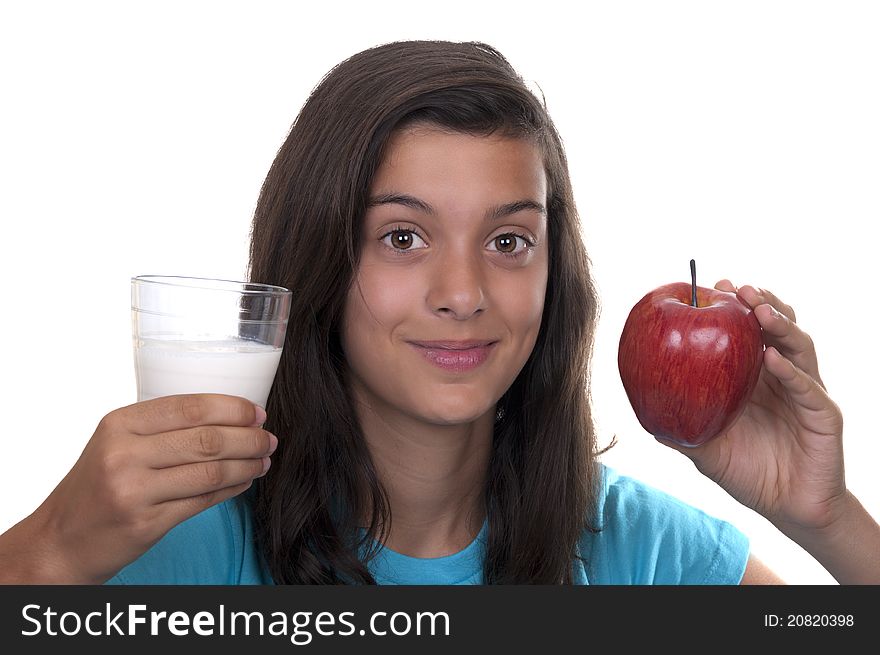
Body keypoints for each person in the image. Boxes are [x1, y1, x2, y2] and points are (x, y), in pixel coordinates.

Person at [1, 40, 877, 585]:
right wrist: (48, 552)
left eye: (507, 243)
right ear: (318, 260)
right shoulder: (180, 542)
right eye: (403, 237)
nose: (463, 295)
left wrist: (826, 518)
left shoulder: (641, 553)